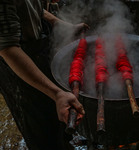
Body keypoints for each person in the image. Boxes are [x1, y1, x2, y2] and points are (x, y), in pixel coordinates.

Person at [0, 0, 89, 149]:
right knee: (41, 128)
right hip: (16, 65)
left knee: (54, 116)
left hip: (36, 47)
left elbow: (33, 7)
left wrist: (59, 23)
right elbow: (8, 48)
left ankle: (63, 141)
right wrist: (57, 93)